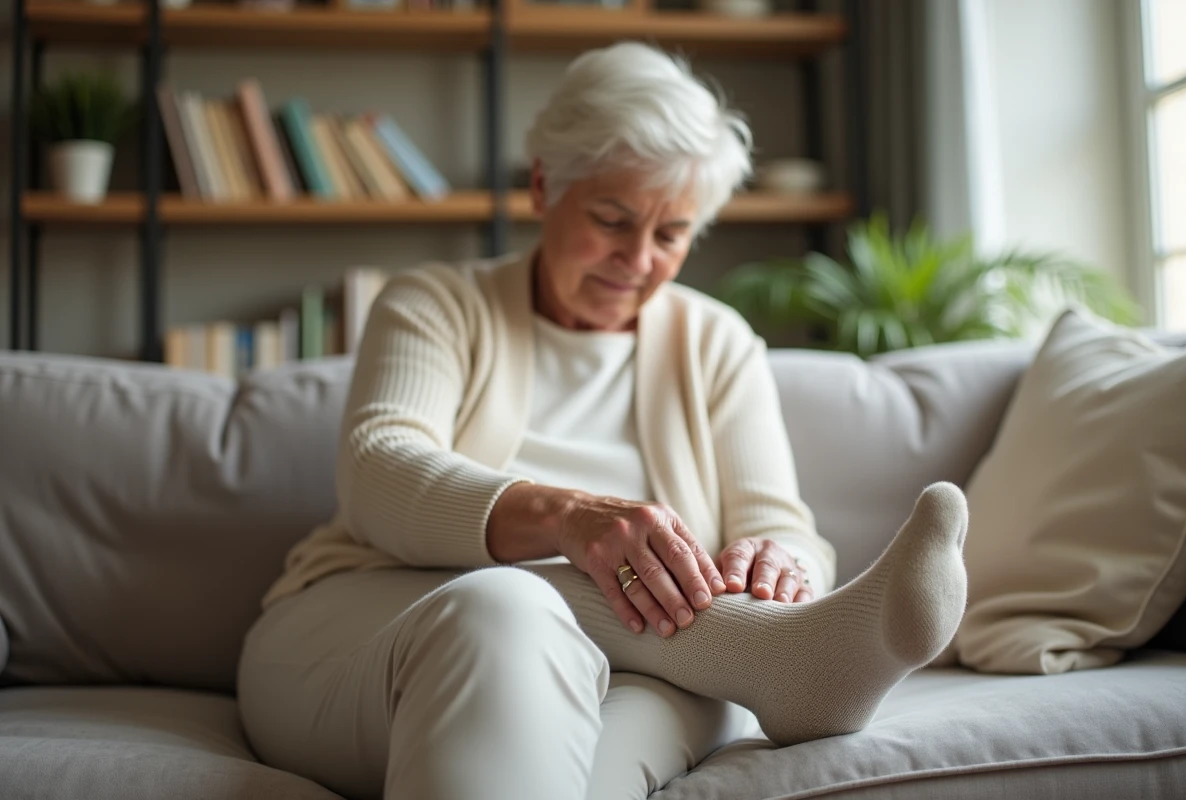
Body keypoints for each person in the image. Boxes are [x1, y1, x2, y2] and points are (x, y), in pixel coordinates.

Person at [237, 41, 969, 800]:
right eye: (613, 219)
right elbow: (377, 471)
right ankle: (789, 661)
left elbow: (781, 523)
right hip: (370, 631)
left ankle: (782, 651)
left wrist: (780, 565)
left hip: (654, 665)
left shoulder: (717, 342)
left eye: (671, 233)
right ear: (546, 187)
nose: (639, 259)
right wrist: (567, 520)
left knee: (648, 725)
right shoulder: (434, 306)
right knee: (513, 602)